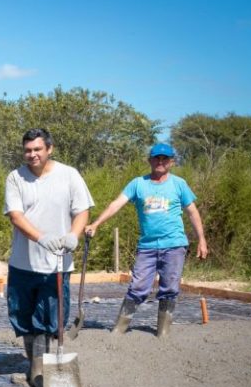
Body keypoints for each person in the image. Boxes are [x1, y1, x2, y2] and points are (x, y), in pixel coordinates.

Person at [84, 143, 208, 337]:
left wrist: (202, 239)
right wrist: (96, 223)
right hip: (147, 246)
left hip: (174, 244)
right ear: (150, 160)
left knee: (170, 286)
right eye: (156, 158)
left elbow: (192, 212)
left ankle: (163, 331)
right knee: (138, 286)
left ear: (171, 162)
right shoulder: (138, 184)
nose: (160, 162)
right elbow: (116, 204)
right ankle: (119, 328)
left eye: (164, 159)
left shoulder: (179, 184)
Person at [4, 128, 93, 387]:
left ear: (49, 149)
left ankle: (39, 372)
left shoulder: (69, 175)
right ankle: (34, 364)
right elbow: (16, 216)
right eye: (28, 150)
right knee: (22, 315)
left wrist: (74, 235)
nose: (32, 155)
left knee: (48, 317)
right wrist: (40, 237)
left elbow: (82, 210)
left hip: (57, 264)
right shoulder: (15, 178)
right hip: (23, 262)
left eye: (37, 149)